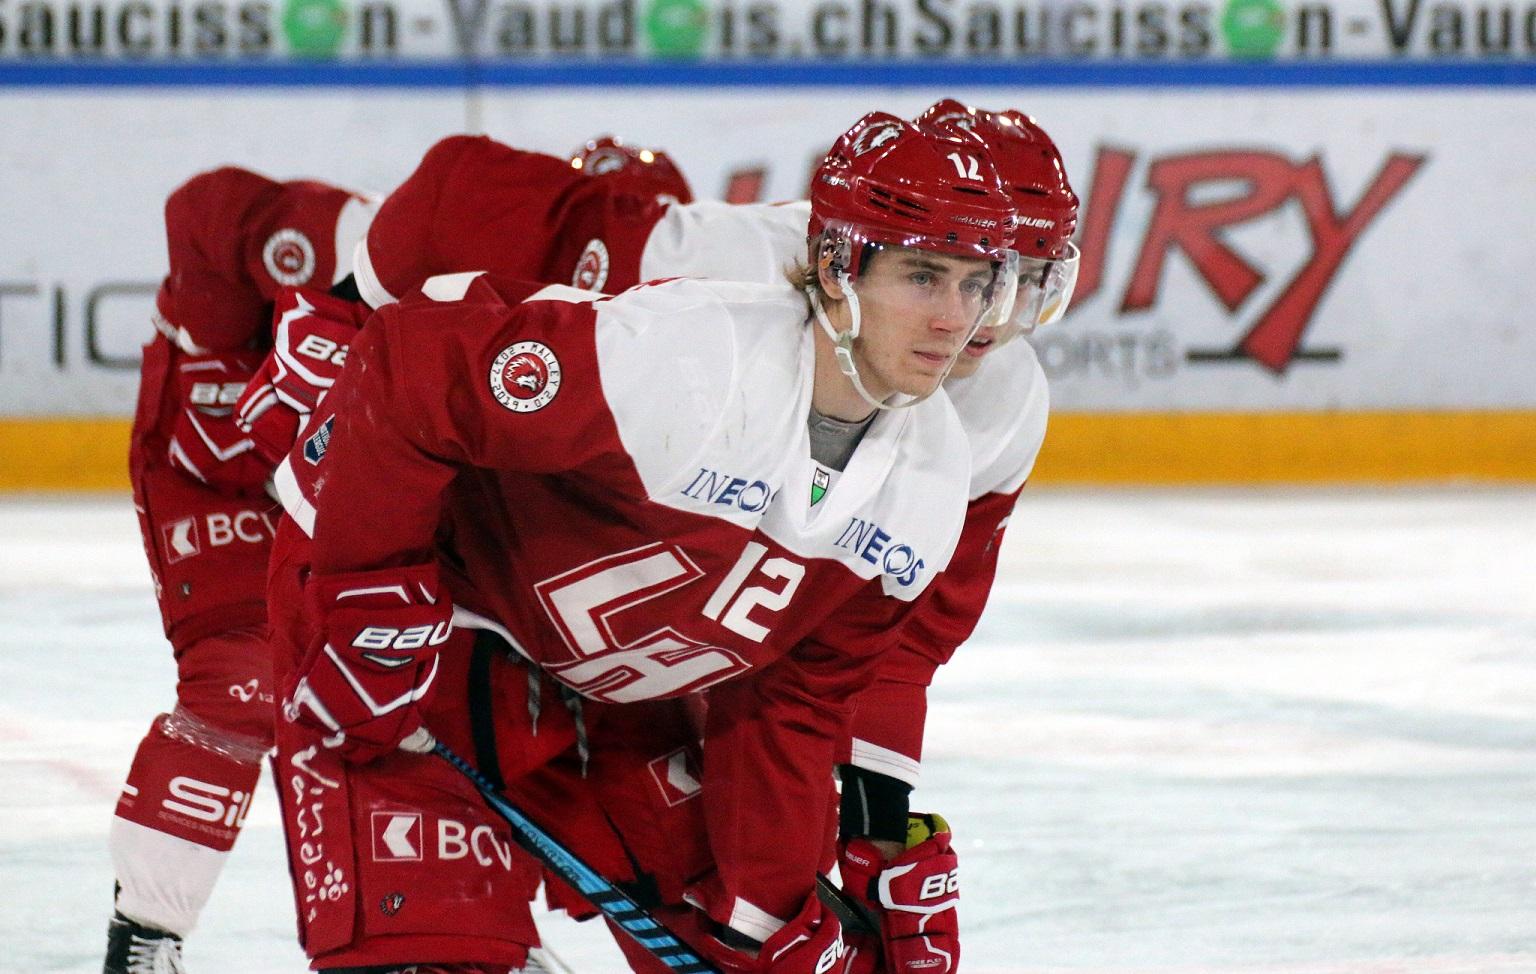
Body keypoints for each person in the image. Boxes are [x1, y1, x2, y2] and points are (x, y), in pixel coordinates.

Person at [240, 101, 1080, 974]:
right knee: (429, 952)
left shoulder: (936, 476)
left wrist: (771, 918)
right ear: (837, 265)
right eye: (924, 276)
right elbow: (415, 363)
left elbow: (799, 702)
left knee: (760, 934)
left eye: (987, 283)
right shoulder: (695, 355)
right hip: (431, 610)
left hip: (623, 671)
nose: (962, 320)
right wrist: (366, 597)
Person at [105, 167, 376, 973]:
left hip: (326, 467)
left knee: (393, 696)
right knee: (243, 687)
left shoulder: (439, 280)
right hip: (212, 478)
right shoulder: (260, 240)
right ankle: (147, 933)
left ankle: (441, 940)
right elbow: (202, 208)